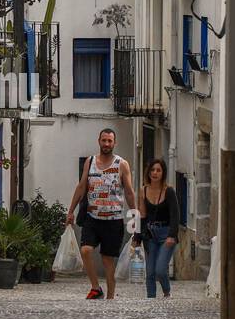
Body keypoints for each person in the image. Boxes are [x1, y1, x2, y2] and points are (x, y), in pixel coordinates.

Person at [66, 128, 136, 300]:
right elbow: (81, 187)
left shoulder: (122, 164)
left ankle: (110, 297)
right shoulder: (90, 162)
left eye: (109, 141)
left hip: (114, 220)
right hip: (92, 217)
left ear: (114, 143)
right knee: (86, 250)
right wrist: (70, 211)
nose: (106, 144)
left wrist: (135, 214)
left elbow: (129, 192)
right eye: (104, 140)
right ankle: (96, 287)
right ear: (99, 141)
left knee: (107, 260)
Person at [133, 158, 180, 299]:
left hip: (166, 234)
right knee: (150, 272)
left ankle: (167, 292)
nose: (155, 173)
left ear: (163, 173)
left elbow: (175, 215)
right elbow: (141, 216)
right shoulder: (143, 190)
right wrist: (137, 237)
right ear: (148, 173)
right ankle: (151, 299)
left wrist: (172, 235)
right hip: (150, 235)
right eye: (152, 170)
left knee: (160, 269)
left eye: (158, 170)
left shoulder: (169, 191)